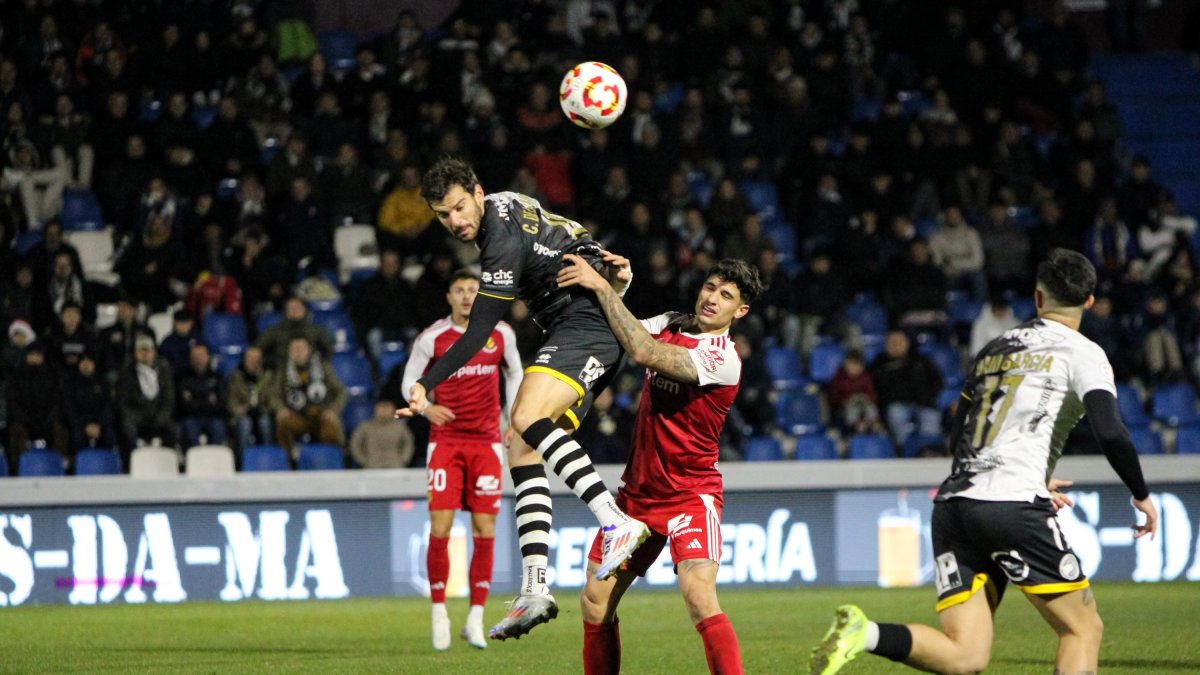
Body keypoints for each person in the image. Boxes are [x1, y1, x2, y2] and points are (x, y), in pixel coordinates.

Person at [810, 249, 1158, 675]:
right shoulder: (1084, 353)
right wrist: (1141, 494)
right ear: (1089, 301)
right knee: (1083, 629)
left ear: (1037, 297)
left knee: (966, 656)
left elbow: (960, 432)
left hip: (955, 505)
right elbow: (1111, 432)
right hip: (1010, 505)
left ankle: (864, 634)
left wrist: (1031, 476)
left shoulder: (996, 348)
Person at [395, 158, 650, 640]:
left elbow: (478, 332)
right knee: (522, 445)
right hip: (584, 321)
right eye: (443, 215)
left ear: (477, 192)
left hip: (584, 324)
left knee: (525, 415)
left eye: (459, 207)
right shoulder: (507, 206)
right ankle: (535, 588)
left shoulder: (500, 239)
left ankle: (616, 522)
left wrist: (427, 383)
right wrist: (610, 276)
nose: (455, 221)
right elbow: (570, 237)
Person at [555, 255, 765, 675]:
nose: (712, 299)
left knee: (699, 597)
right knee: (594, 602)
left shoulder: (723, 359)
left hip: (690, 495)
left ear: (740, 311)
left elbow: (643, 350)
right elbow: (619, 331)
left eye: (726, 296)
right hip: (637, 496)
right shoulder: (671, 322)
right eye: (710, 287)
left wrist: (601, 286)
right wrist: (618, 288)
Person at [400, 269, 523, 651]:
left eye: (473, 289)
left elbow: (516, 372)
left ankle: (475, 619)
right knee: (441, 526)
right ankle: (439, 612)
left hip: (486, 442)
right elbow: (409, 382)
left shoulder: (501, 333)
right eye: (460, 290)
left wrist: (512, 419)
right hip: (447, 442)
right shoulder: (433, 337)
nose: (468, 296)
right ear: (449, 297)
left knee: (485, 529)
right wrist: (426, 409)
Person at [263, 335, 345, 459]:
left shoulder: (323, 367)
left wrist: (333, 410)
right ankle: (289, 461)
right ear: (289, 352)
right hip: (297, 415)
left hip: (320, 414)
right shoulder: (283, 371)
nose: (298, 352)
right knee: (282, 423)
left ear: (309, 350)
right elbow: (273, 395)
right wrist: (280, 409)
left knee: (330, 423)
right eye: (294, 349)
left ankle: (330, 459)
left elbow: (341, 392)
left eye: (301, 348)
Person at [114, 334, 178, 454]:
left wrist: (159, 418)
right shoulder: (127, 371)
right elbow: (123, 403)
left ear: (154, 352)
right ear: (135, 353)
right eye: (141, 350)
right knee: (127, 429)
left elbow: (168, 399)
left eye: (147, 350)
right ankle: (130, 461)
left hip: (157, 417)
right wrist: (139, 417)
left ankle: (165, 460)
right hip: (136, 418)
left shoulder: (163, 369)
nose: (145, 354)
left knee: (173, 430)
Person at [348, 398, 414, 469]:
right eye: (381, 408)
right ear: (375, 409)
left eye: (387, 408)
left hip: (395, 464)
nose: (384, 411)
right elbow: (355, 444)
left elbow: (408, 443)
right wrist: (364, 460)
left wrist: (403, 459)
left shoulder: (400, 427)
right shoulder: (365, 427)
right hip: (372, 464)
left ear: (393, 409)